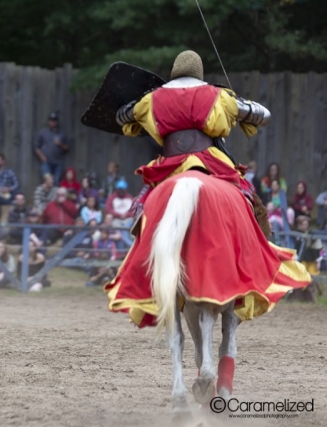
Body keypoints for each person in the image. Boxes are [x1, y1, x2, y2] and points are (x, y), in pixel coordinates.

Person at [116, 50, 272, 235]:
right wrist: (239, 104)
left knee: (144, 210)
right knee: (249, 201)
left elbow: (121, 117)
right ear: (199, 73)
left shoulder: (151, 99)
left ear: (174, 72)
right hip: (211, 162)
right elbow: (264, 115)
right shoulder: (219, 96)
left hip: (168, 166)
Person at [289, 215, 323, 302]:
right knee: (300, 278)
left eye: (306, 224)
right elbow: (296, 248)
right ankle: (299, 298)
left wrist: (318, 261)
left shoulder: (312, 235)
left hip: (312, 260)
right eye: (303, 224)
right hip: (302, 260)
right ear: (299, 225)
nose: (305, 226)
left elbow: (318, 249)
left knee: (311, 279)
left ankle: (311, 299)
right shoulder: (297, 235)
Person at [34, 112, 69, 185]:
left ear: (57, 122)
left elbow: (67, 148)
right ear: (48, 121)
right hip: (46, 162)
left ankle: (54, 196)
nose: (53, 122)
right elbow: (36, 147)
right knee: (47, 181)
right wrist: (42, 157)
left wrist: (61, 144)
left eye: (55, 120)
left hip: (58, 162)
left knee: (56, 182)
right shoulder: (43, 132)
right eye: (51, 120)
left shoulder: (61, 133)